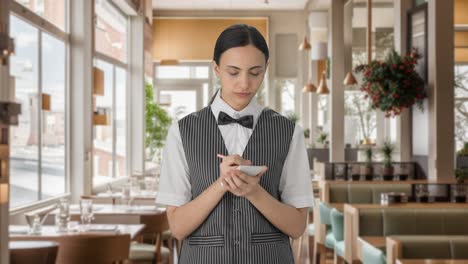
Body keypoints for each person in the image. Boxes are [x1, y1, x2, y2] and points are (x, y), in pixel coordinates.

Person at [156, 23, 314, 264]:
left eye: (255, 72)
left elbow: (297, 226)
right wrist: (222, 184)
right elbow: (178, 227)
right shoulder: (181, 132)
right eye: (233, 72)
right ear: (216, 69)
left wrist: (253, 191)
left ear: (266, 69)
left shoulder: (289, 132)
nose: (244, 83)